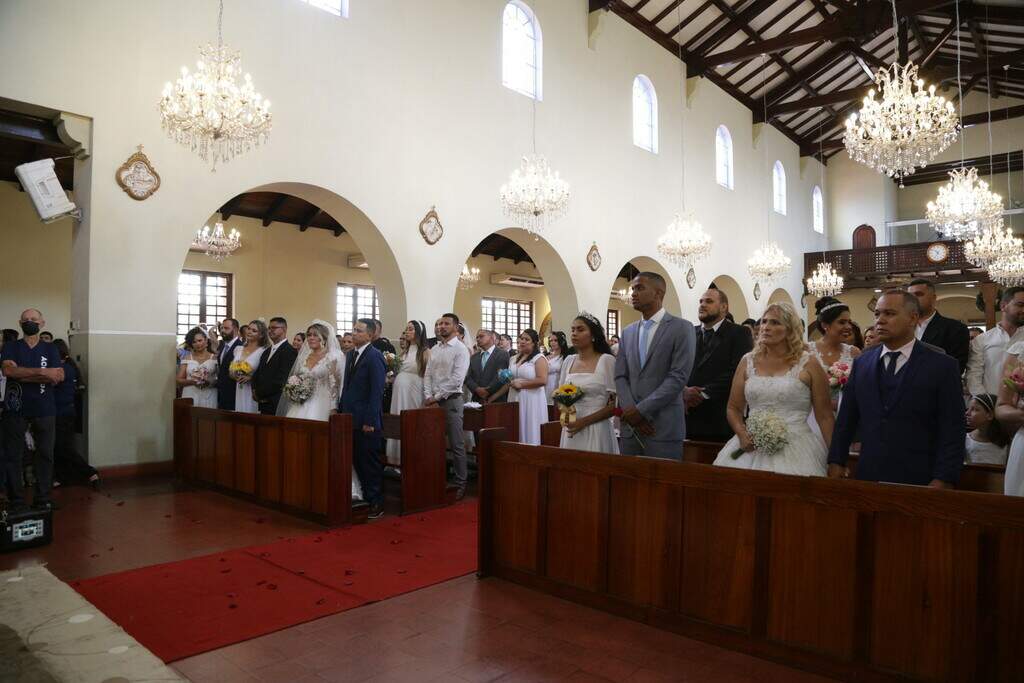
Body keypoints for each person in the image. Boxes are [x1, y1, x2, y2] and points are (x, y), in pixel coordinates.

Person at [829, 291, 965, 487]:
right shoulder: (863, 362)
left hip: (921, 474)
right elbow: (847, 418)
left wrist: (944, 478)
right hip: (870, 472)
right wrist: (836, 460)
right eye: (877, 314)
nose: (880, 321)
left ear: (912, 318)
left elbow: (952, 428)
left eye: (889, 314)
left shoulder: (942, 365)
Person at [713, 303, 833, 475]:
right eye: (764, 321)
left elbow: (825, 416)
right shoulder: (747, 361)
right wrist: (742, 434)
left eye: (775, 323)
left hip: (797, 448)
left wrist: (836, 458)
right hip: (751, 445)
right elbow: (734, 408)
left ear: (790, 330)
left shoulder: (809, 363)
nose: (765, 327)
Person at [614, 272, 695, 460]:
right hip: (631, 428)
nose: (633, 293)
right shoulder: (628, 332)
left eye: (640, 288)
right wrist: (630, 411)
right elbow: (620, 376)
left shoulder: (681, 328)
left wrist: (640, 411)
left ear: (659, 293)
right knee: (628, 485)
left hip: (663, 426)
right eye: (633, 288)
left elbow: (678, 377)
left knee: (663, 486)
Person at [1, 308, 63, 511]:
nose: (30, 322)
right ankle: (16, 500)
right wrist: (43, 372)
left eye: (34, 319)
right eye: (26, 319)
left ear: (42, 323)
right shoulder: (10, 346)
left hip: (45, 409)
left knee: (45, 454)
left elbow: (57, 377)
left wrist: (22, 374)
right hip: (15, 409)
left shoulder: (51, 348)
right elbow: (8, 370)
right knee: (13, 455)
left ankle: (43, 498)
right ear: (20, 323)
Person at [685, 288, 753, 442]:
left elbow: (737, 370)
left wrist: (703, 393)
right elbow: (679, 367)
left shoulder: (739, 333)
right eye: (701, 301)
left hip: (720, 415)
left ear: (724, 307)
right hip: (687, 414)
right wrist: (684, 391)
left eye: (709, 301)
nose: (702, 305)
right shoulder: (689, 332)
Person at [341, 319, 387, 517]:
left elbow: (376, 391)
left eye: (359, 331)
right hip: (350, 416)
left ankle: (376, 501)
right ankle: (362, 498)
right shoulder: (351, 354)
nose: (354, 334)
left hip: (366, 420)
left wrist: (370, 420)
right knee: (355, 459)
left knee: (368, 461)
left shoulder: (375, 356)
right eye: (353, 330)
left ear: (370, 335)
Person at [423, 313, 471, 498]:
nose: (442, 326)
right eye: (440, 324)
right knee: (434, 442)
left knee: (456, 443)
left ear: (456, 327)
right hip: (433, 400)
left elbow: (457, 379)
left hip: (451, 400)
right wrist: (428, 395)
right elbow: (428, 374)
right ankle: (436, 479)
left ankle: (460, 483)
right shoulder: (435, 348)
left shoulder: (461, 349)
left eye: (446, 324)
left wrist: (436, 397)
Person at [558, 314, 618, 453]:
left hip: (596, 427)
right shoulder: (569, 361)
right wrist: (565, 413)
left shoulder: (606, 360)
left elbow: (613, 406)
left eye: (580, 330)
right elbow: (561, 396)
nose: (574, 334)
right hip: (571, 428)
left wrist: (583, 422)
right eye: (572, 330)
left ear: (593, 335)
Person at [807, 297, 861, 440]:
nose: (849, 326)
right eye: (842, 322)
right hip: (813, 416)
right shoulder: (807, 350)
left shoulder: (854, 352)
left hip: (845, 414)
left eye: (849, 321)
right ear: (825, 325)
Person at [51, 339, 99, 488]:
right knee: (58, 447)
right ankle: (62, 477)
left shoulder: (61, 369)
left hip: (62, 413)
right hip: (65, 412)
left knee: (63, 447)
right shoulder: (69, 367)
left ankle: (90, 472)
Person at [490, 329, 549, 445]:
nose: (522, 341)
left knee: (530, 426)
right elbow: (510, 381)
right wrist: (502, 379)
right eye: (521, 338)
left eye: (526, 339)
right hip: (514, 396)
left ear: (534, 343)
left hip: (532, 398)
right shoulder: (513, 358)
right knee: (515, 426)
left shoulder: (539, 358)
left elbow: (543, 380)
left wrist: (521, 384)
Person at [967, 287, 1024, 396]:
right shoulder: (982, 340)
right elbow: (974, 376)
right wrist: (986, 404)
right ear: (1003, 306)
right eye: (1020, 305)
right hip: (989, 405)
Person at [385, 321, 428, 466]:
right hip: (398, 391)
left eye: (410, 329)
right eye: (406, 329)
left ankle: (412, 459)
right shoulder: (404, 352)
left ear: (419, 332)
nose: (407, 332)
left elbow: (428, 375)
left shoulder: (425, 352)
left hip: (414, 390)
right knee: (398, 419)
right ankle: (396, 459)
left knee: (411, 421)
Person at [908, 278, 970, 374]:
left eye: (919, 294)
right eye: (910, 296)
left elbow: (956, 367)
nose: (913, 300)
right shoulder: (901, 327)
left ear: (933, 298)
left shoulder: (955, 329)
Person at [253, 317, 298, 416]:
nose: (270, 330)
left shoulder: (289, 351)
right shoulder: (267, 351)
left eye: (274, 328)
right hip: (263, 402)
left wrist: (260, 393)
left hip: (277, 402)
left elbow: (282, 379)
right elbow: (259, 372)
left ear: (284, 329)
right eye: (269, 328)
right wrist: (254, 389)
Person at [231, 320, 269, 414]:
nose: (249, 332)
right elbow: (231, 370)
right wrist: (234, 374)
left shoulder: (264, 351)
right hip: (239, 388)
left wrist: (251, 377)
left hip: (253, 390)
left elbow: (265, 373)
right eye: (248, 328)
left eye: (254, 330)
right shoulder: (238, 349)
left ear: (261, 335)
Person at [176, 327, 218, 408]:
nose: (198, 344)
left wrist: (209, 382)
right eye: (194, 342)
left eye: (200, 340)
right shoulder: (187, 358)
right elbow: (178, 380)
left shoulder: (215, 358)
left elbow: (220, 379)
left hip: (209, 393)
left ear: (206, 340)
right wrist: (193, 382)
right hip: (190, 393)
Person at [464, 328, 509, 404]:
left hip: (496, 399)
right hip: (477, 399)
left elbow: (501, 376)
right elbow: (468, 378)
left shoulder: (502, 354)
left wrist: (487, 391)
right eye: (477, 337)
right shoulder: (474, 357)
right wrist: (477, 389)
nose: (478, 339)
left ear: (492, 337)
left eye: (481, 336)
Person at [965, 394, 1008, 465]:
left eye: (974, 409)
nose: (967, 413)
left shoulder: (1006, 444)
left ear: (990, 415)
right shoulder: (965, 440)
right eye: (968, 409)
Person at [216, 318, 242, 410]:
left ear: (235, 330)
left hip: (233, 394)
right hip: (221, 393)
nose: (222, 331)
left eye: (226, 328)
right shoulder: (223, 346)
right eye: (222, 328)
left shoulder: (241, 347)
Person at [545, 331, 570, 405]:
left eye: (555, 340)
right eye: (551, 341)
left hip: (556, 386)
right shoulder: (546, 356)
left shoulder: (565, 357)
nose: (552, 343)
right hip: (544, 386)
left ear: (561, 341)